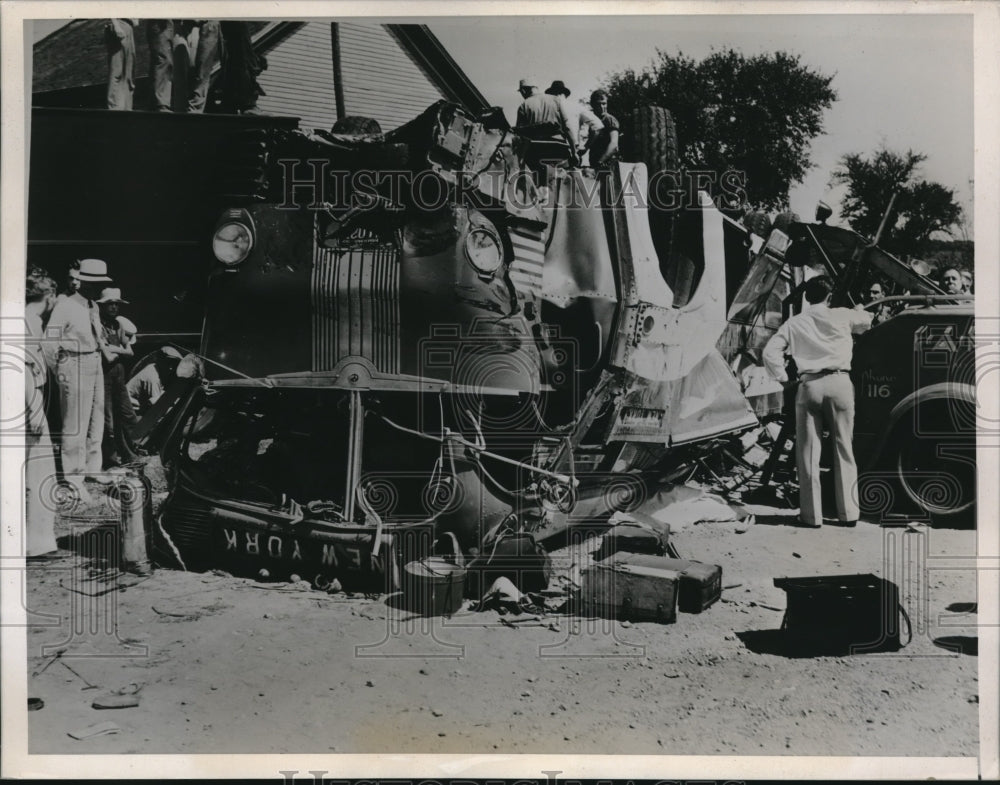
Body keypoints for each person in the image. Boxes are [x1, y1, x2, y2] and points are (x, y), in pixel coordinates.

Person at [762, 275, 873, 528]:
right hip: (840, 382)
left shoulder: (795, 322)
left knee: (808, 451)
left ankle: (811, 517)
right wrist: (859, 311)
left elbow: (770, 352)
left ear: (805, 296)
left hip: (809, 384)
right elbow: (866, 323)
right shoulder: (843, 315)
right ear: (829, 297)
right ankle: (849, 514)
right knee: (843, 447)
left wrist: (783, 379)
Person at [42, 259, 113, 496]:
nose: (96, 287)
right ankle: (73, 475)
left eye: (100, 283)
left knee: (97, 416)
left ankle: (93, 467)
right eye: (92, 282)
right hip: (74, 363)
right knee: (74, 423)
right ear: (80, 281)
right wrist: (60, 371)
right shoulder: (65, 305)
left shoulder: (93, 305)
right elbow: (49, 341)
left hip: (94, 361)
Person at [25, 272, 71, 555]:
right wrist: (33, 409)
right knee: (41, 474)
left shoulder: (27, 319)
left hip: (28, 399)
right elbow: (22, 370)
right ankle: (37, 544)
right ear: (50, 296)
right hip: (28, 401)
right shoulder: (28, 322)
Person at [97, 288, 141, 468]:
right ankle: (110, 460)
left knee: (127, 414)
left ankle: (131, 453)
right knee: (107, 420)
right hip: (104, 375)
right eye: (110, 304)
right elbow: (105, 353)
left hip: (119, 374)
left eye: (116, 304)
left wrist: (116, 349)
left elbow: (129, 352)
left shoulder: (118, 325)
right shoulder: (98, 324)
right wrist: (117, 351)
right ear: (103, 306)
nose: (114, 307)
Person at [515, 77, 578, 156]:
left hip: (535, 149)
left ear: (523, 91)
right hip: (558, 147)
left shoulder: (523, 106)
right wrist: (574, 152)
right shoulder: (556, 100)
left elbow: (519, 134)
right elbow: (567, 127)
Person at [128, 346, 183, 417]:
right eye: (168, 363)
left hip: (138, 402)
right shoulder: (153, 377)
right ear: (161, 361)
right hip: (130, 408)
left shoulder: (155, 367)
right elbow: (157, 408)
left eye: (173, 364)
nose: (171, 368)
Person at [105, 19, 138, 110]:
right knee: (117, 70)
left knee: (129, 72)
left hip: (128, 26)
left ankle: (126, 108)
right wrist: (116, 25)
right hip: (119, 24)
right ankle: (115, 107)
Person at [584, 89, 620, 168]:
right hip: (595, 161)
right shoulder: (593, 121)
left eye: (604, 103)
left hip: (608, 162)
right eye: (598, 104)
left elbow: (614, 144)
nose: (601, 107)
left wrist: (600, 161)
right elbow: (591, 141)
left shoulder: (610, 120)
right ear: (593, 105)